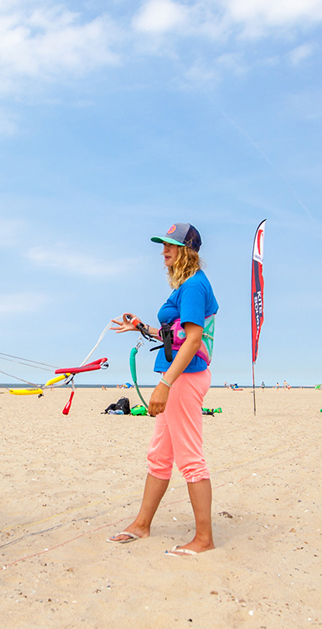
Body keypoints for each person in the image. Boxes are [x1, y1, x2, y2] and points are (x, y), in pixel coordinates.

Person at [108, 223, 218, 557]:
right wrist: (141, 327)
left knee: (190, 459)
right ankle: (142, 524)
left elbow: (194, 340)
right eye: (163, 245)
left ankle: (204, 539)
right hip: (178, 375)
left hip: (184, 378)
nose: (164, 251)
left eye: (171, 245)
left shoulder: (195, 285)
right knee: (159, 456)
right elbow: (178, 336)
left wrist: (165, 383)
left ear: (188, 250)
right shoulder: (184, 286)